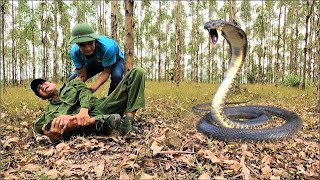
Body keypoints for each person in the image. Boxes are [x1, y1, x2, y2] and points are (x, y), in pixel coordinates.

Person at [31, 68, 145, 142]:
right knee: (54, 124)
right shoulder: (48, 112)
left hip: (101, 106)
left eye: (43, 82)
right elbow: (41, 126)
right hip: (82, 124)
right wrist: (50, 132)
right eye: (38, 89)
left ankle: (127, 121)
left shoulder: (72, 84)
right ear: (42, 97)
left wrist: (83, 110)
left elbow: (85, 91)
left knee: (137, 73)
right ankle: (101, 122)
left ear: (53, 83)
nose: (41, 86)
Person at [68, 23, 125, 95]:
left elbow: (106, 72)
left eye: (90, 43)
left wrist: (94, 87)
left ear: (95, 40)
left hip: (115, 60)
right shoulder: (75, 52)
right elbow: (82, 75)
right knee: (72, 81)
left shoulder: (108, 48)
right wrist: (72, 88)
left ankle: (111, 101)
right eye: (82, 45)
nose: (87, 49)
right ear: (77, 44)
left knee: (117, 76)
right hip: (94, 63)